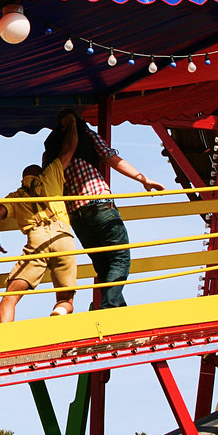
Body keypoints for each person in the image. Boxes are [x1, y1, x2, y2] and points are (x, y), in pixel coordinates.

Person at [41, 109, 164, 309]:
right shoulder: (85, 134)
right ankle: (109, 306)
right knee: (120, 258)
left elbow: (49, 182)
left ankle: (116, 308)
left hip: (77, 216)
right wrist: (144, 179)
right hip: (99, 205)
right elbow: (111, 158)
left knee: (103, 265)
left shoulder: (50, 152)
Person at [0, 114, 78, 323]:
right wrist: (73, 124)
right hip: (63, 236)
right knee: (66, 297)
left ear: (23, 179)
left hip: (36, 238)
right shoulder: (52, 174)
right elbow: (69, 148)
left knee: (10, 297)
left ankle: (4, 335)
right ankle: (60, 312)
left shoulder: (16, 195)